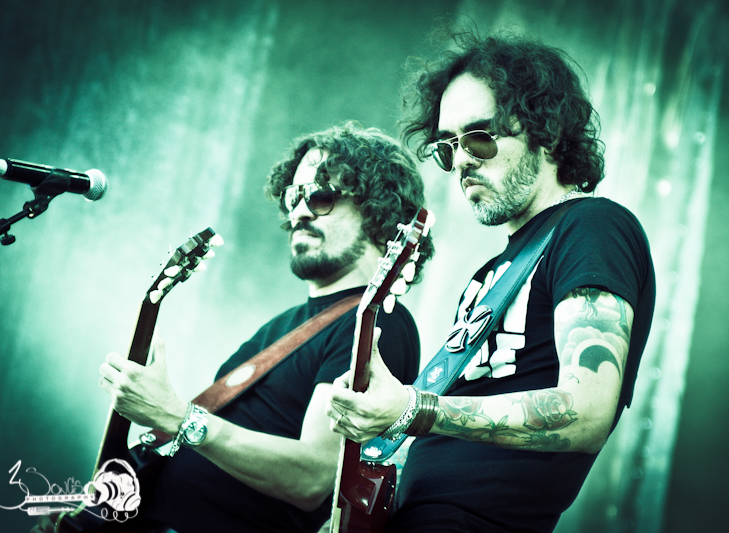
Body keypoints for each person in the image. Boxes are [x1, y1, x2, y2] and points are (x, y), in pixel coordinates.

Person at [326, 31, 656, 533]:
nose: (461, 160)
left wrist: (414, 408)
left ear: (546, 132)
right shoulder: (491, 275)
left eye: (479, 137)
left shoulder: (593, 226)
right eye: (447, 148)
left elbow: (587, 411)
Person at [32, 123, 433, 533]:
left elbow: (314, 477)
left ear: (380, 211)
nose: (299, 212)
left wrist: (179, 417)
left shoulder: (377, 322)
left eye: (320, 196)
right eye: (293, 197)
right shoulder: (284, 326)